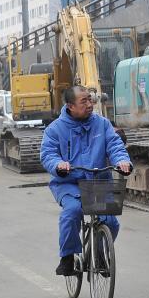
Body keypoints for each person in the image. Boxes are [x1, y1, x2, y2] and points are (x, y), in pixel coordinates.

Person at [40, 86, 131, 276]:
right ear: (70, 106)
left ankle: (98, 254)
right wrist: (58, 165)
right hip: (68, 183)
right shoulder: (55, 129)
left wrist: (122, 161)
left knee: (111, 223)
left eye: (90, 100)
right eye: (84, 101)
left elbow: (115, 145)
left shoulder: (102, 124)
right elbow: (48, 154)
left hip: (97, 182)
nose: (90, 104)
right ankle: (67, 257)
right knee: (72, 211)